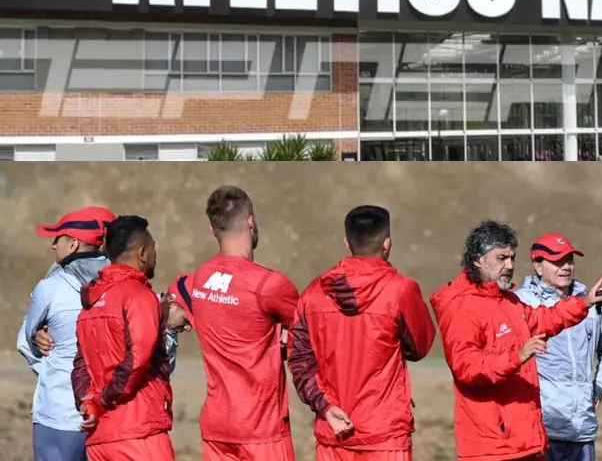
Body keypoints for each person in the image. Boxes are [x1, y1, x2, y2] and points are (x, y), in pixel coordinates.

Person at [429, 220, 602, 461]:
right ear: (477, 259)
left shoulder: (508, 301)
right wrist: (517, 357)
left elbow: (545, 318)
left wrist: (583, 303)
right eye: (502, 258)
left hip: (526, 444)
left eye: (513, 258)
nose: (510, 265)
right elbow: (466, 367)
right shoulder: (463, 306)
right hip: (492, 449)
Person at [288, 205, 437, 461]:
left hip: (333, 432)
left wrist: (327, 406)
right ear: (387, 244)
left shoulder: (312, 294)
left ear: (346, 242)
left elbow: (300, 362)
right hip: (386, 436)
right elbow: (419, 347)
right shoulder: (401, 291)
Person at [183, 185, 300, 461]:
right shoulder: (269, 284)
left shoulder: (201, 277)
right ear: (251, 221)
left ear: (212, 229)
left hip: (217, 426)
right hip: (261, 429)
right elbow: (314, 329)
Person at [515, 232, 602, 461]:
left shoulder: (591, 303)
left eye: (569, 260)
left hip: (581, 431)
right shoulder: (520, 303)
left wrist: (598, 387)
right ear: (537, 265)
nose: (565, 267)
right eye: (557, 261)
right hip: (541, 431)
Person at [71, 215, 174, 460]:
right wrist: (107, 397)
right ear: (142, 253)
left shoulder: (92, 302)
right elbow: (138, 357)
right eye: (153, 249)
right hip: (139, 433)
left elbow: (80, 364)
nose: (155, 256)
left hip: (99, 439)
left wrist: (89, 403)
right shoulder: (139, 296)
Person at [18, 206, 115, 461]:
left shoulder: (51, 287)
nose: (53, 246)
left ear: (72, 244)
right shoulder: (130, 286)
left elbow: (25, 341)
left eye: (58, 238)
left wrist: (53, 364)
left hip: (60, 414)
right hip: (114, 417)